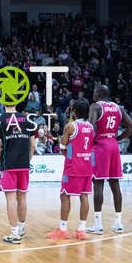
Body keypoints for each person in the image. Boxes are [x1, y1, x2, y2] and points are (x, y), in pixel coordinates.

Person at [86, 85, 132, 235]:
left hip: (100, 146)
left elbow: (90, 126)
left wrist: (88, 142)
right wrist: (117, 139)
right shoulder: (118, 107)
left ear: (99, 93)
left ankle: (98, 224)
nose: (93, 94)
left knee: (98, 184)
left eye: (94, 92)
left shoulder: (95, 106)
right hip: (113, 145)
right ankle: (118, 223)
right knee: (115, 183)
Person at [46, 99, 94, 240]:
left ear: (74, 111)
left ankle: (62, 229)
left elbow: (63, 147)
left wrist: (65, 147)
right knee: (84, 196)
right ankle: (81, 230)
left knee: (65, 195)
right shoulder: (91, 127)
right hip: (87, 165)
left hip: (73, 167)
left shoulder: (70, 126)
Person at [0, 101, 33, 244]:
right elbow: (33, 145)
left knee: (10, 199)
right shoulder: (28, 120)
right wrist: (26, 160)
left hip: (8, 164)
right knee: (22, 198)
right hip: (24, 165)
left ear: (3, 102)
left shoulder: (0, 120)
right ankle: (21, 229)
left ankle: (14, 233)